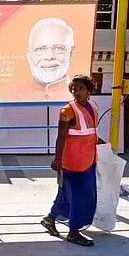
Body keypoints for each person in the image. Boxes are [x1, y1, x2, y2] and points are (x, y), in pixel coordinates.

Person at [40, 75, 102, 247]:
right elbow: (61, 137)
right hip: (72, 163)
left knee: (66, 194)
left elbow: (91, 132)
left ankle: (50, 219)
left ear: (89, 90)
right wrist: (57, 158)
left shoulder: (93, 106)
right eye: (74, 88)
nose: (76, 92)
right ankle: (73, 232)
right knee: (79, 197)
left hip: (89, 160)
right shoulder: (67, 111)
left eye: (81, 88)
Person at [0, 18, 74, 102]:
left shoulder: (86, 97)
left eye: (58, 48)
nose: (49, 57)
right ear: (29, 55)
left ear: (71, 53)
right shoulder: (2, 97)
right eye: (40, 49)